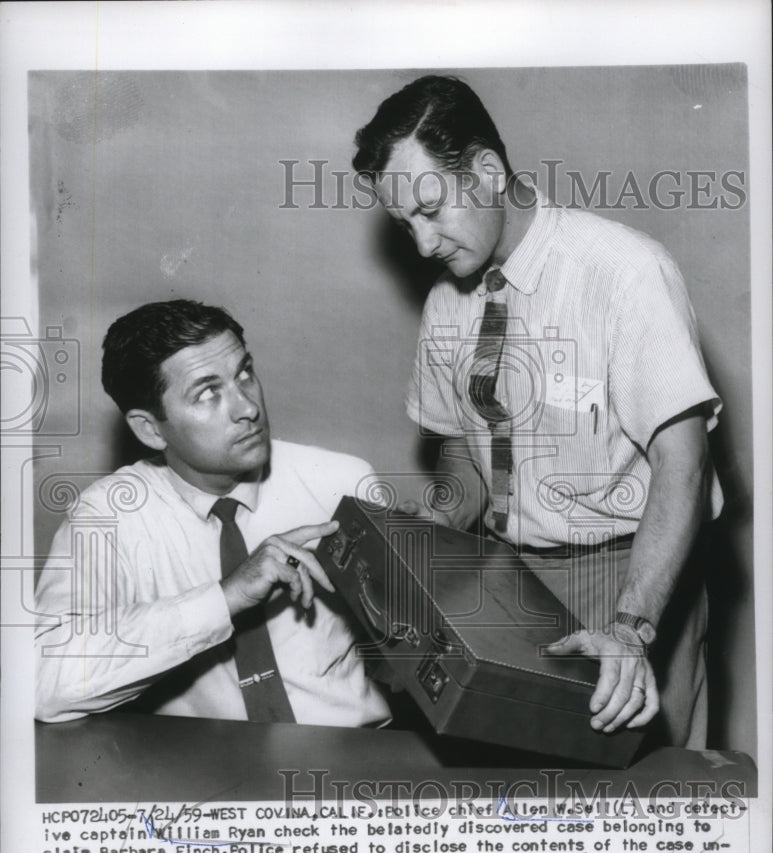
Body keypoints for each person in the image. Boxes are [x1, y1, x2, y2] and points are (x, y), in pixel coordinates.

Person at [352, 75, 723, 749]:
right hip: (505, 582)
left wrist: (628, 627)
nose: (423, 244)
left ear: (488, 172)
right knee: (520, 797)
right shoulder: (446, 304)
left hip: (628, 580)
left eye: (431, 210)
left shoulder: (623, 271)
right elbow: (465, 451)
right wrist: (426, 536)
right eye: (405, 223)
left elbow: (683, 462)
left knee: (650, 800)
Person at [35, 299, 390, 727]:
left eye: (245, 373)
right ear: (149, 429)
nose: (248, 408)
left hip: (353, 761)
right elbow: (42, 680)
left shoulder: (342, 483)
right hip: (198, 778)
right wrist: (225, 599)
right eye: (207, 393)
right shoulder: (107, 516)